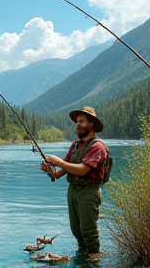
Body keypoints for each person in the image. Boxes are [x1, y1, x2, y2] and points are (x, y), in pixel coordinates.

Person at [41, 106, 108, 256]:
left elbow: (83, 170)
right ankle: (83, 255)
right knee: (76, 230)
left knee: (88, 230)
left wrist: (58, 161)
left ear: (91, 124)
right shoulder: (75, 145)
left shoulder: (98, 147)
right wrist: (50, 171)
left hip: (89, 191)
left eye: (82, 121)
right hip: (73, 190)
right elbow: (58, 175)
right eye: (77, 122)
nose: (78, 125)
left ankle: (95, 259)